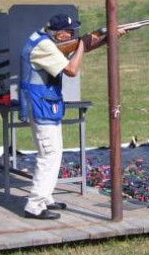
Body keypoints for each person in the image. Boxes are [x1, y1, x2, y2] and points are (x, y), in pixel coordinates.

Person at [19, 13, 123, 219]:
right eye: (69, 32)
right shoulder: (45, 46)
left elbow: (75, 50)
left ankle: (45, 198)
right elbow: (72, 69)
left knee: (54, 153)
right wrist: (82, 43)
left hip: (45, 105)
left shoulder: (43, 39)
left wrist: (105, 39)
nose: (72, 35)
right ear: (59, 33)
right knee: (48, 155)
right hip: (41, 106)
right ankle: (34, 205)